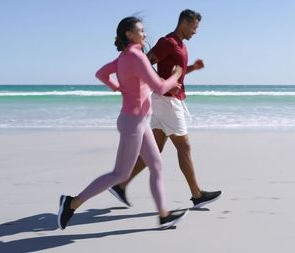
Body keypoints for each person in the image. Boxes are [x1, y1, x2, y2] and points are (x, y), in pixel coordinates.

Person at [57, 16, 188, 230]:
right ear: (129, 34)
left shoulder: (123, 57)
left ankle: (163, 215)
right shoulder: (137, 57)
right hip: (134, 124)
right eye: (142, 30)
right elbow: (160, 87)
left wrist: (116, 87)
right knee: (120, 174)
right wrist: (176, 75)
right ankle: (71, 203)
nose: (145, 34)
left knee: (156, 165)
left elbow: (101, 73)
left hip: (137, 121)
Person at [108, 9, 221, 208]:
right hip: (167, 101)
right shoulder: (168, 42)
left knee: (155, 150)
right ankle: (196, 194)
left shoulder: (180, 46)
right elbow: (146, 61)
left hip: (165, 101)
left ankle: (121, 185)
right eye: (194, 27)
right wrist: (160, 80)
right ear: (184, 23)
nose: (195, 32)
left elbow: (177, 72)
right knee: (184, 147)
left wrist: (192, 68)